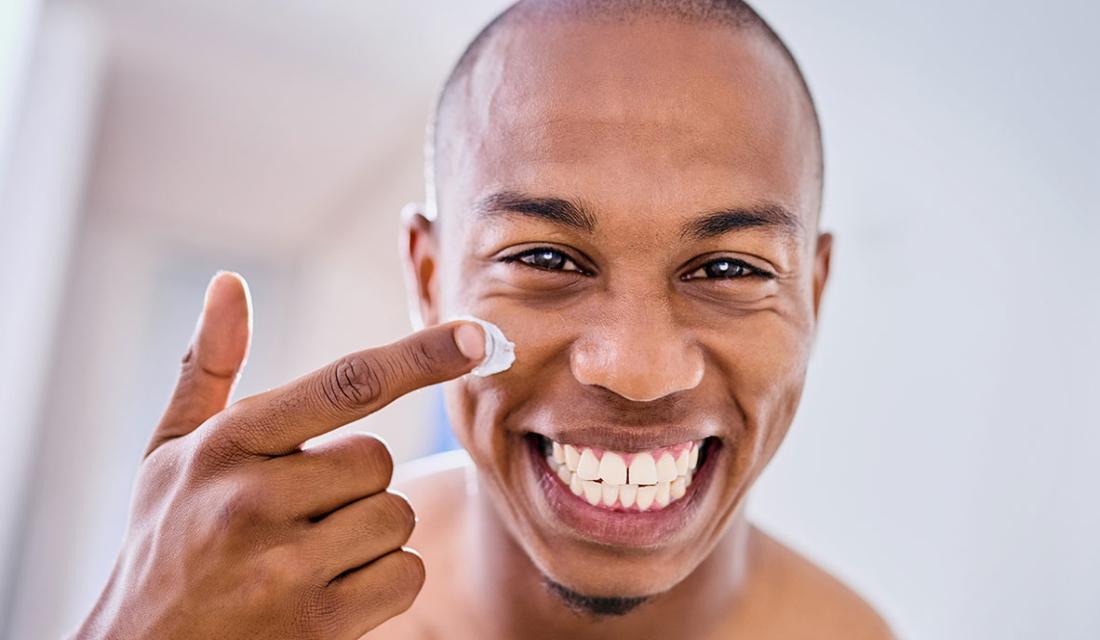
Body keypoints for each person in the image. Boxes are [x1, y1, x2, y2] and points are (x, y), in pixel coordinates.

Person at [72, 1, 894, 638]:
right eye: (544, 259)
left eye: (728, 269)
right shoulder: (264, 623)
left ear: (813, 295)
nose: (636, 369)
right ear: (429, 277)